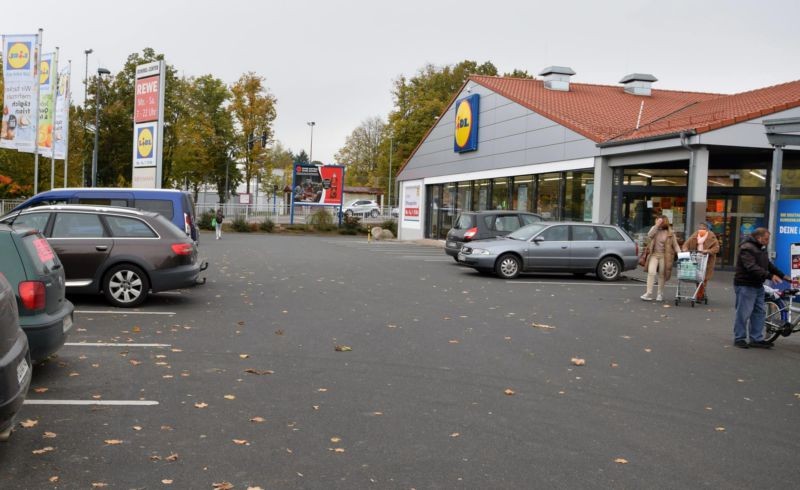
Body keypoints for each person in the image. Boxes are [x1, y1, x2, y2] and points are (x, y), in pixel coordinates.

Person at [733, 228, 789, 349]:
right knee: (743, 313)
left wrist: (783, 276)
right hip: (745, 285)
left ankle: (756, 339)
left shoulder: (760, 248)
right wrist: (769, 276)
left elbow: (768, 265)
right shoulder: (747, 248)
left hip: (757, 285)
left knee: (759, 312)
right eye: (766, 239)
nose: (768, 241)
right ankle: (739, 338)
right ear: (758, 238)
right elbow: (751, 267)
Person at [641, 215, 681, 301]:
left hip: (664, 256)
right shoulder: (654, 229)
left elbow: (675, 245)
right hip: (654, 255)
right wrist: (656, 225)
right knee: (651, 272)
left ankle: (660, 294)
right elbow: (649, 235)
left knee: (662, 275)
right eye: (657, 220)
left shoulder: (670, 232)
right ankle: (648, 293)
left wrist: (680, 254)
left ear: (664, 222)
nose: (658, 222)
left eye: (660, 221)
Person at [681, 222, 720, 300]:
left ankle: (699, 295)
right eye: (700, 228)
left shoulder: (711, 236)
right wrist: (685, 249)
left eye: (703, 229)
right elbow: (686, 244)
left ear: (707, 229)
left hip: (706, 259)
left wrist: (708, 251)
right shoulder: (695, 235)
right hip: (696, 257)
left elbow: (716, 248)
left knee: (703, 278)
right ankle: (701, 293)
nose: (701, 230)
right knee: (697, 277)